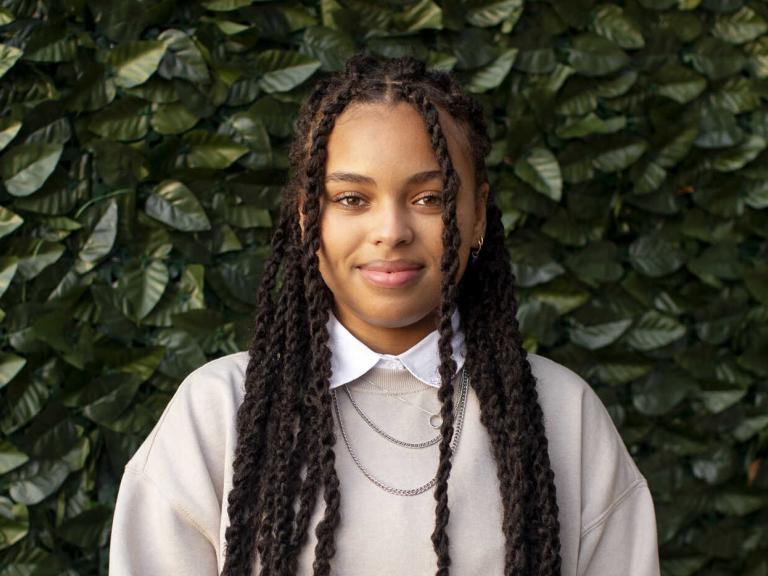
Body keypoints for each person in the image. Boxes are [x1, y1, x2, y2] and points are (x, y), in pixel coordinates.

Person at [108, 53, 661, 576]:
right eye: (352, 198)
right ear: (308, 217)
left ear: (477, 217)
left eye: (431, 199)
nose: (391, 230)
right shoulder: (218, 411)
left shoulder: (563, 414)